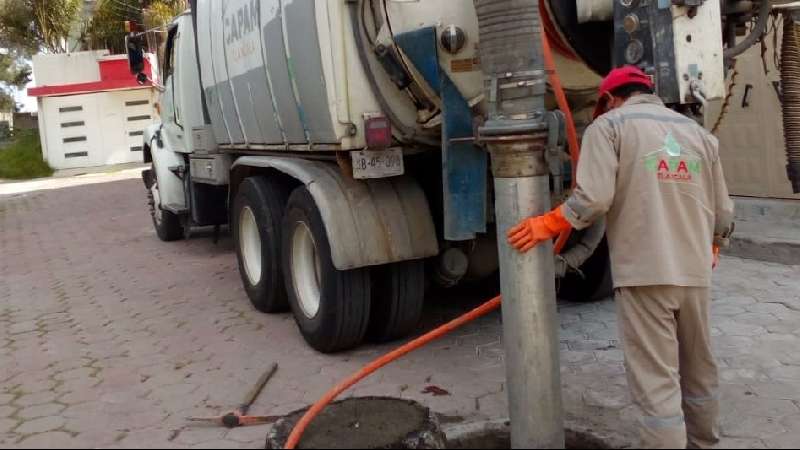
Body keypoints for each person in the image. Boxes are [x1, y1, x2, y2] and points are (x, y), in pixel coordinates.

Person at [507, 65, 735, 449]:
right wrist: (714, 245)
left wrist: (548, 223)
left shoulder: (610, 126)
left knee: (657, 383)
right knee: (700, 371)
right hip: (696, 274)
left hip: (645, 276)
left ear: (610, 99)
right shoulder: (698, 135)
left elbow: (593, 198)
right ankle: (704, 444)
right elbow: (724, 211)